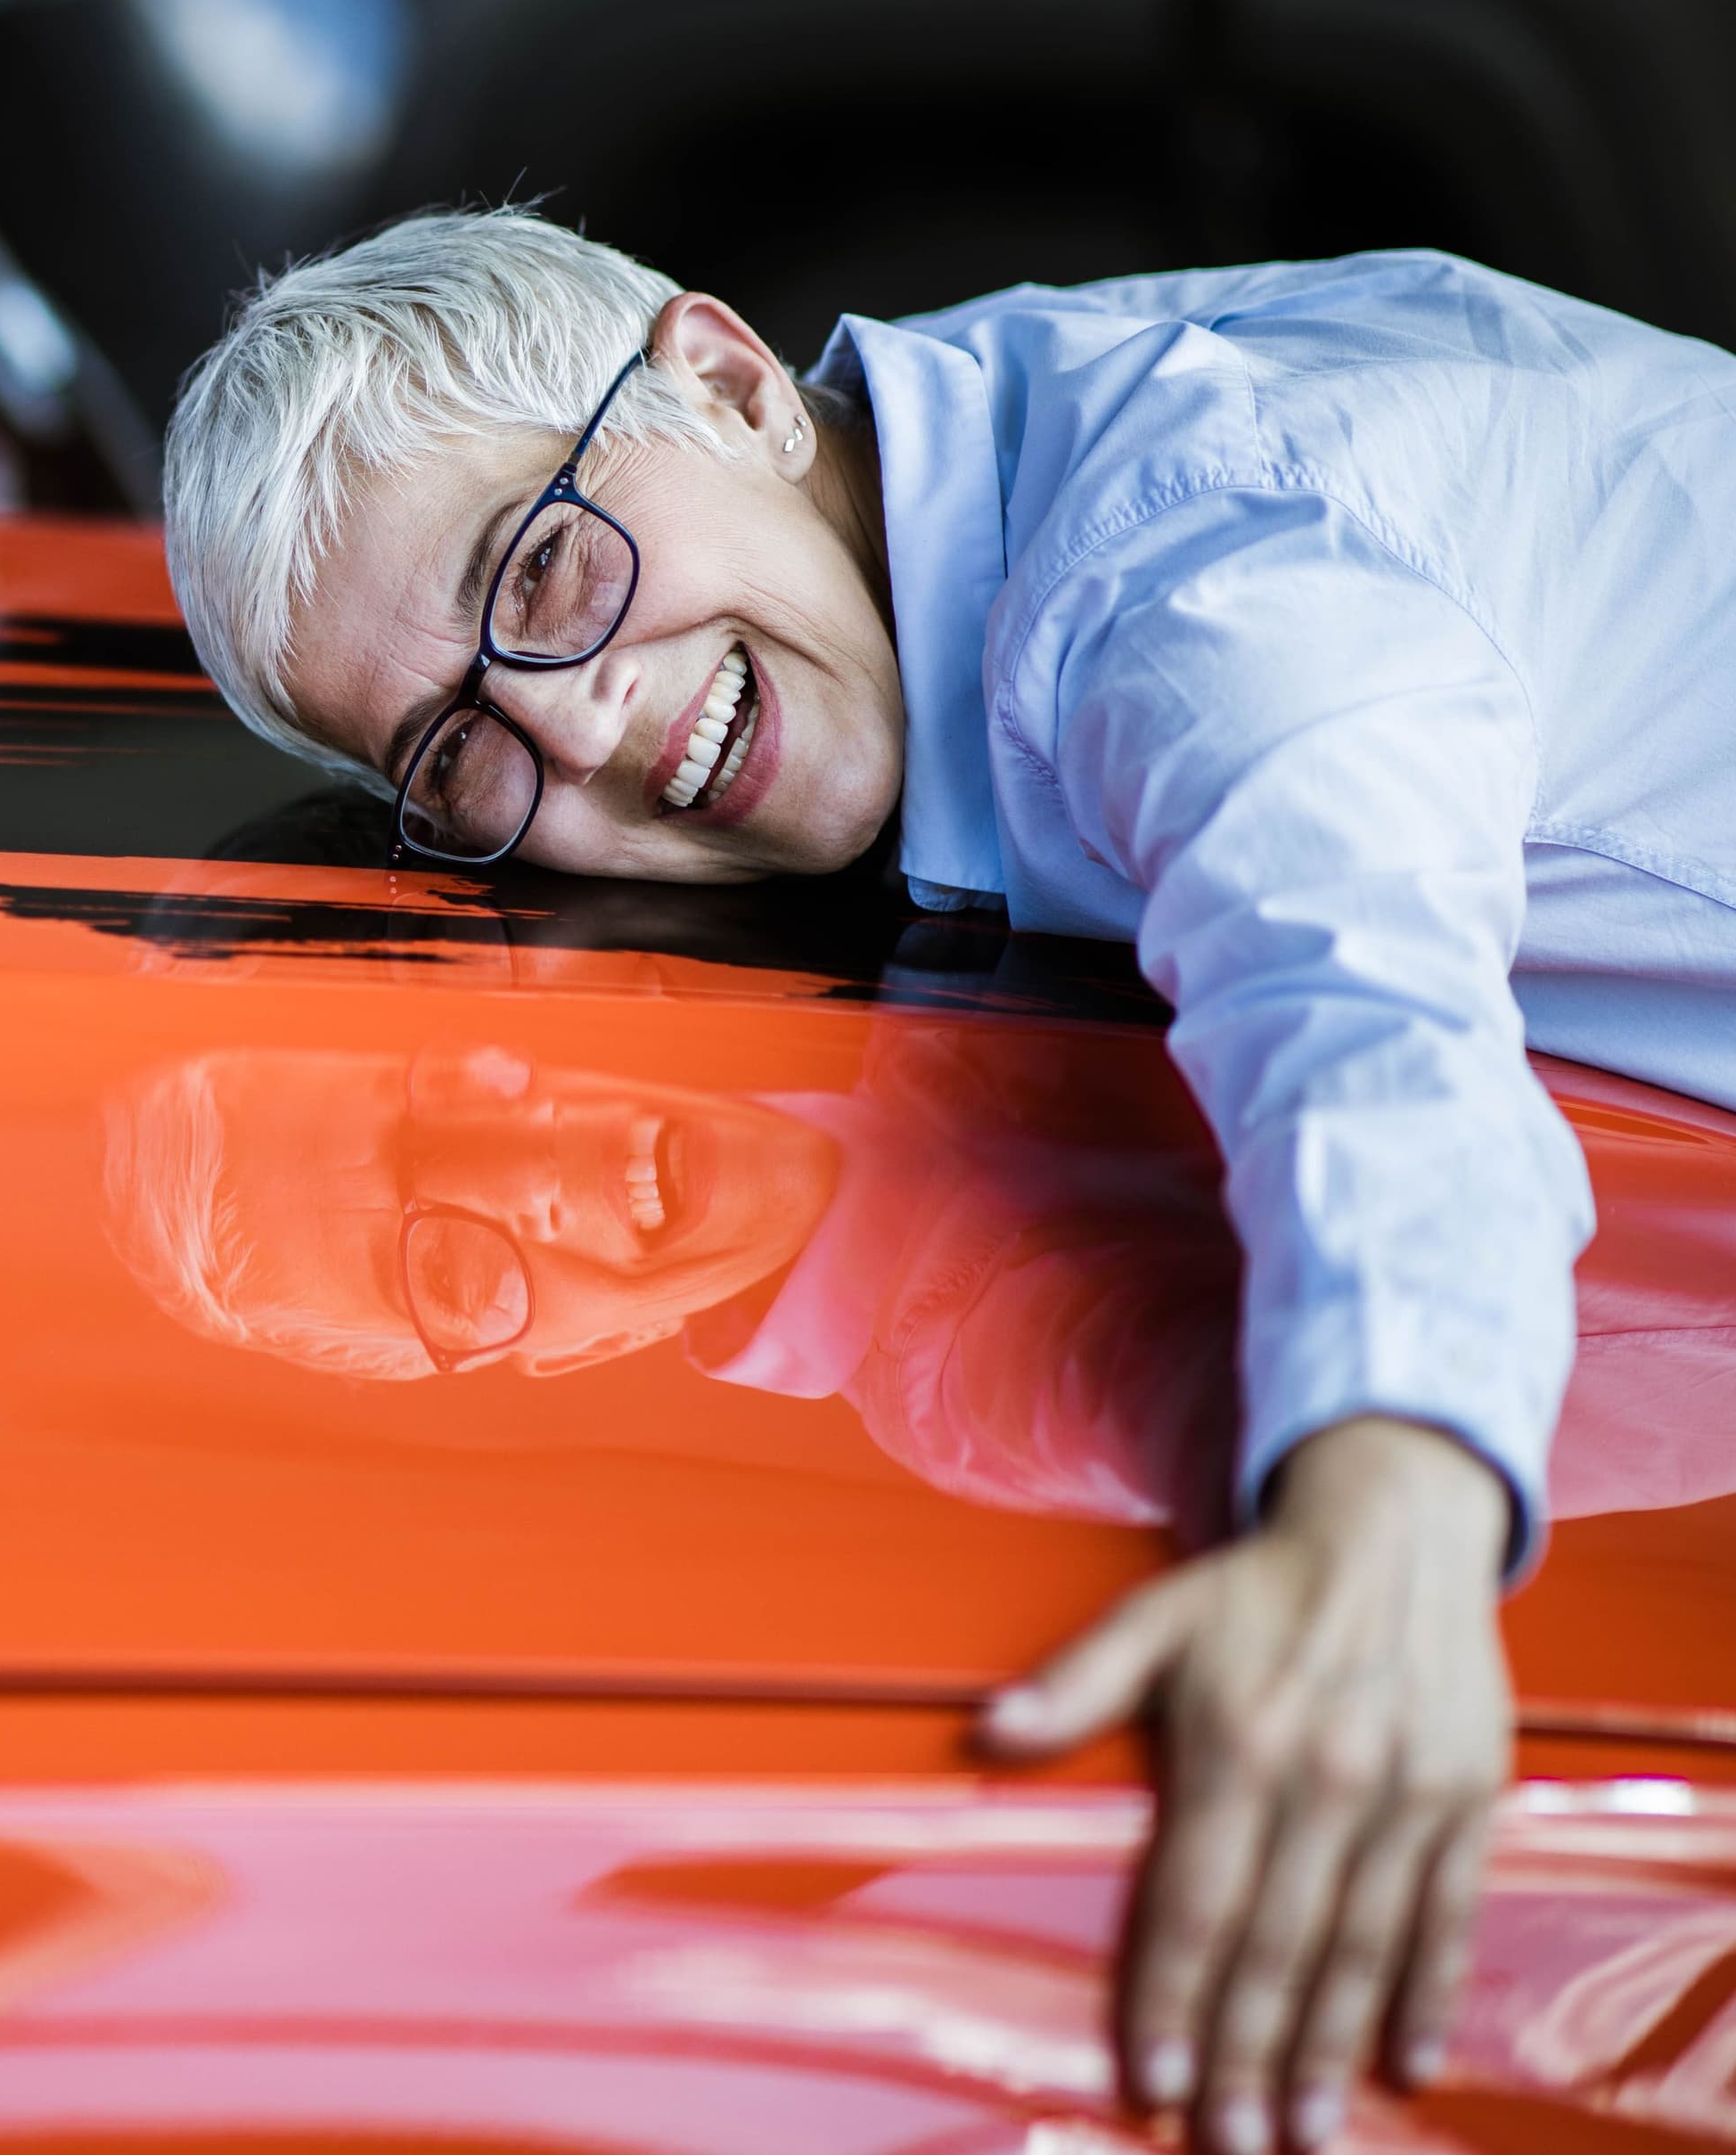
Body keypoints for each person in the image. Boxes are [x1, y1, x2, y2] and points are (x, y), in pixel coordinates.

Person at [159, 214, 1736, 2155]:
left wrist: (1390, 1522)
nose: (578, 727)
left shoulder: (1187, 554)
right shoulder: (944, 460)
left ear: (723, 379)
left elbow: (1350, 992)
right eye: (462, 754)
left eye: (544, 570)